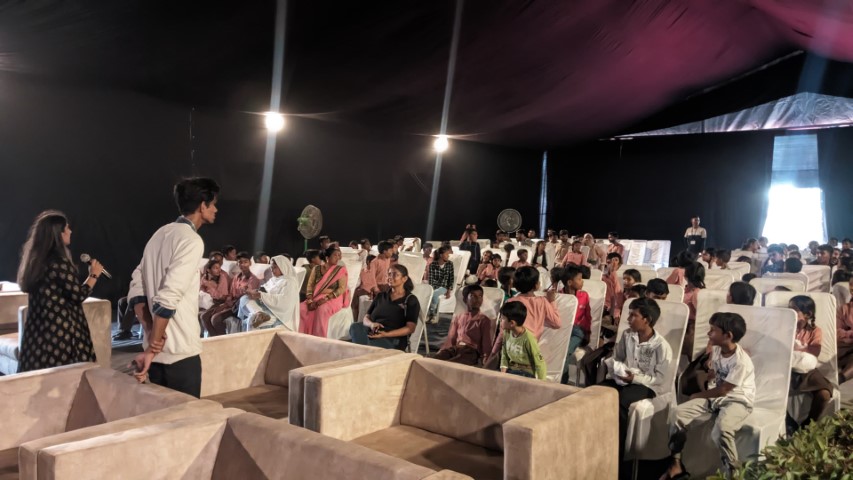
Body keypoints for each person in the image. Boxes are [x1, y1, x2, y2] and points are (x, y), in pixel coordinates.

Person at [128, 177, 220, 397]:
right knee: (187, 417)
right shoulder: (191, 240)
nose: (216, 209)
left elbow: (137, 285)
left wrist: (150, 334)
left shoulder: (159, 234)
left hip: (156, 354)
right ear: (202, 206)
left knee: (162, 415)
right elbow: (169, 295)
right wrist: (153, 344)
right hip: (180, 353)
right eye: (213, 204)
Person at [663, 312, 755, 479]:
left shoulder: (741, 361)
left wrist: (698, 395)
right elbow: (715, 375)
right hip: (715, 399)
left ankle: (734, 473)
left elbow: (724, 390)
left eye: (713, 330)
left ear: (728, 335)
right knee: (677, 414)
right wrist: (710, 374)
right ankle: (676, 463)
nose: (708, 333)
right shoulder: (717, 350)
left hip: (737, 400)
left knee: (722, 430)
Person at [16, 210, 104, 372]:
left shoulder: (34, 261)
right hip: (60, 333)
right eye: (67, 228)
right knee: (64, 378)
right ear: (58, 234)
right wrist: (93, 275)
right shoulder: (59, 262)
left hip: (38, 332)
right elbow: (78, 295)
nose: (70, 231)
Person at [599, 298, 671, 464]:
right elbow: (618, 357)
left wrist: (635, 378)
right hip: (624, 379)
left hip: (647, 385)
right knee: (596, 393)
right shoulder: (627, 335)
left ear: (647, 320)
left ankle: (618, 452)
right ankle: (597, 439)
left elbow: (659, 378)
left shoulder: (661, 346)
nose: (628, 319)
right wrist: (616, 368)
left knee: (621, 402)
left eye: (633, 315)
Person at [486, 266, 560, 366]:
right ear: (536, 285)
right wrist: (552, 301)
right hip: (529, 352)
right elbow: (557, 323)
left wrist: (493, 353)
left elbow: (503, 332)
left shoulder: (510, 301)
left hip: (510, 350)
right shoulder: (542, 302)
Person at [787, 295, 832, 430]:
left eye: (795, 309)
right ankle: (788, 422)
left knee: (824, 394)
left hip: (807, 370)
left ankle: (808, 424)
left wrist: (797, 349)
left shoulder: (815, 331)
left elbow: (814, 352)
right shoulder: (785, 327)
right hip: (787, 367)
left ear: (807, 314)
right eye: (789, 309)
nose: (790, 312)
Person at [350, 264, 419, 350]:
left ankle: (364, 350)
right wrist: (372, 324)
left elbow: (410, 328)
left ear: (404, 279)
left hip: (393, 339)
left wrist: (386, 334)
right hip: (374, 333)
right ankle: (365, 349)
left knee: (363, 345)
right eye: (389, 274)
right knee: (355, 327)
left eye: (395, 274)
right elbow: (366, 318)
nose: (390, 277)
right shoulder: (381, 296)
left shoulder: (410, 300)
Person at [201, 251, 259, 336]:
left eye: (245, 262)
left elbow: (247, 298)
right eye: (240, 262)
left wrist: (227, 305)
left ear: (250, 263)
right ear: (237, 263)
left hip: (241, 306)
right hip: (230, 303)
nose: (242, 264)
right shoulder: (236, 277)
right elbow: (231, 294)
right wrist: (225, 304)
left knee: (215, 319)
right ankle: (214, 340)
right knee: (204, 317)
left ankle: (224, 341)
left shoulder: (253, 279)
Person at [433, 285, 493, 365]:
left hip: (471, 352)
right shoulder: (459, 317)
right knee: (433, 360)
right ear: (465, 300)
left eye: (480, 296)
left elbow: (486, 342)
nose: (477, 299)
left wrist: (486, 357)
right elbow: (451, 338)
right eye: (473, 296)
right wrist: (442, 351)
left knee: (449, 365)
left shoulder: (483, 320)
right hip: (455, 349)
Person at [299, 246, 349, 337]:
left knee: (321, 309)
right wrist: (309, 300)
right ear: (327, 257)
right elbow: (310, 286)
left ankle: (319, 339)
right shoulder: (316, 269)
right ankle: (302, 337)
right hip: (316, 295)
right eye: (335, 255)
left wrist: (326, 298)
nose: (338, 258)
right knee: (302, 308)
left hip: (334, 297)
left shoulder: (340, 270)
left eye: (339, 255)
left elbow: (341, 288)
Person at [240, 255, 299, 331]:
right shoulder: (273, 279)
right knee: (244, 298)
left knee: (252, 320)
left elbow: (284, 301)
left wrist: (261, 295)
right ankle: (259, 313)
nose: (272, 270)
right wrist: (253, 292)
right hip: (265, 306)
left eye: (275, 267)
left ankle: (261, 316)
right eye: (271, 267)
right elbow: (264, 290)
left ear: (283, 267)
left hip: (277, 312)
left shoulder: (290, 282)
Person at [499, 301, 547, 380]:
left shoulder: (528, 339)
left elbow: (540, 363)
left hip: (525, 374)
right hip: (511, 371)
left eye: (502, 318)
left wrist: (542, 383)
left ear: (512, 323)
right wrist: (502, 375)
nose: (500, 320)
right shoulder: (506, 333)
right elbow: (504, 355)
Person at [561, 266, 592, 384]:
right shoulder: (559, 295)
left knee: (566, 352)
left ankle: (561, 381)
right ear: (569, 282)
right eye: (579, 279)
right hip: (563, 330)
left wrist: (588, 333)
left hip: (578, 331)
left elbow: (588, 317)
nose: (582, 281)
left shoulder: (584, 295)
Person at [681, 261, 706, 361]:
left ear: (686, 275)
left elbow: (700, 315)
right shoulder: (686, 290)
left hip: (690, 328)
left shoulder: (697, 293)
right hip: (684, 324)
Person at [426, 246, 454, 323]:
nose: (448, 256)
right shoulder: (432, 265)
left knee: (434, 294)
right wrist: (431, 289)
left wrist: (449, 291)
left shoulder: (450, 264)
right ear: (441, 255)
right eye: (447, 254)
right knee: (433, 294)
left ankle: (432, 314)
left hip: (444, 287)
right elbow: (431, 279)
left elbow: (451, 279)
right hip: (434, 286)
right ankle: (432, 315)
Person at [602, 252, 624, 319]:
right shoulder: (602, 276)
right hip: (602, 304)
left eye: (616, 260)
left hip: (612, 308)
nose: (613, 262)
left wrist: (615, 314)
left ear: (619, 265)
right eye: (610, 261)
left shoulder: (620, 278)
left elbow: (618, 297)